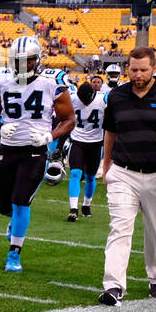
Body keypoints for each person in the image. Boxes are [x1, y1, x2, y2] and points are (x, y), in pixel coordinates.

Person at [0, 36, 74, 273]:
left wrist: (50, 136)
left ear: (38, 60)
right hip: (8, 147)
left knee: (21, 200)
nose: (22, 66)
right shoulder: (2, 80)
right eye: (17, 61)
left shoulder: (52, 82)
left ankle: (14, 253)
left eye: (28, 61)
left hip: (35, 150)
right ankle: (13, 220)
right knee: (3, 205)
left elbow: (69, 119)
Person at [98, 46, 156, 304]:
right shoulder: (117, 96)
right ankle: (114, 286)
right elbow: (110, 133)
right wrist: (106, 165)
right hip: (123, 172)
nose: (138, 74)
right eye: (133, 69)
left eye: (143, 69)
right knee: (119, 228)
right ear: (126, 68)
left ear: (155, 68)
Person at [67, 74, 106, 221]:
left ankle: (86, 205)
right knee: (75, 173)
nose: (83, 102)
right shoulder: (73, 98)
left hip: (96, 143)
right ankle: (73, 208)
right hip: (77, 140)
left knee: (90, 176)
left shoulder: (103, 99)